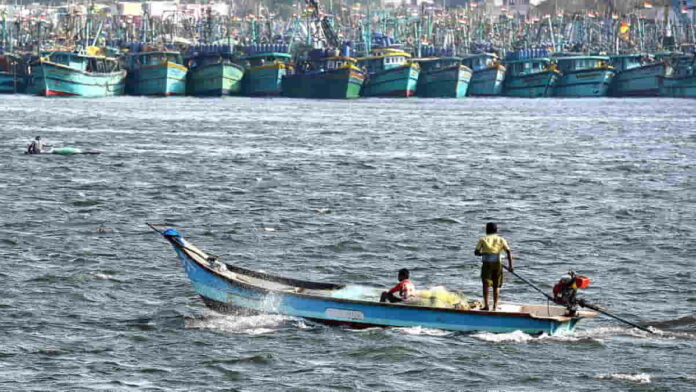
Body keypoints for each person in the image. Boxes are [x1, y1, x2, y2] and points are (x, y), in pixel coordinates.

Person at [474, 222, 513, 311]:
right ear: (496, 230)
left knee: (486, 285)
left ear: (486, 230)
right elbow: (508, 252)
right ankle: (495, 306)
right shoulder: (501, 239)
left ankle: (487, 306)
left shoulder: (483, 239)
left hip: (487, 264)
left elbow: (476, 252)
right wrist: (511, 266)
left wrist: (482, 254)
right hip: (497, 263)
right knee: (496, 285)